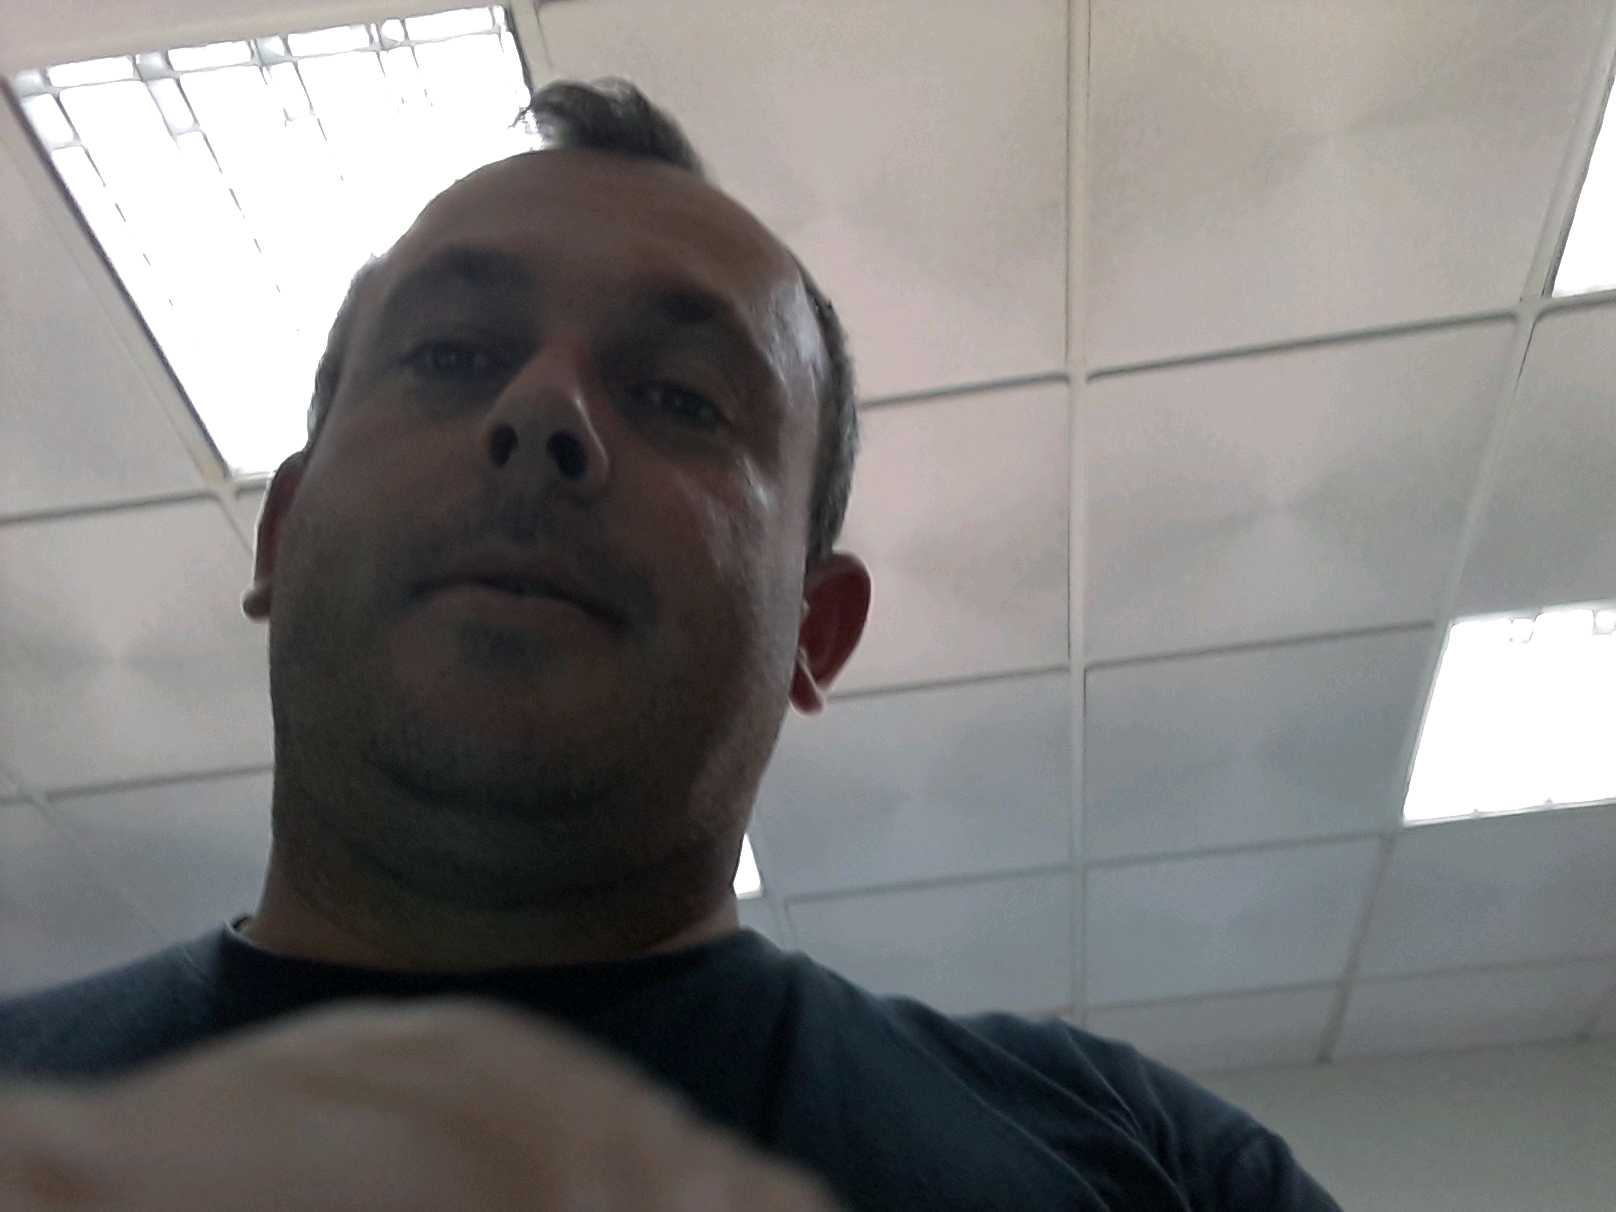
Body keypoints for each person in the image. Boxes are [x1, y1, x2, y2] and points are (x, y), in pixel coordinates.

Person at [0, 79, 1341, 1210]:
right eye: (453, 356)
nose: (543, 413)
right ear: (281, 536)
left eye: (679, 396)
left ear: (814, 628)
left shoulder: (1146, 1171)